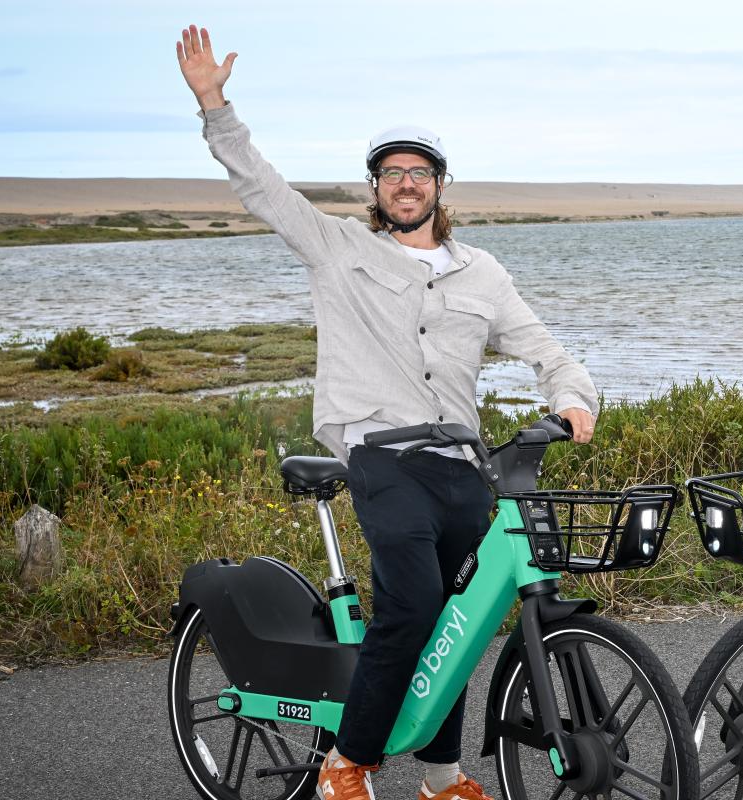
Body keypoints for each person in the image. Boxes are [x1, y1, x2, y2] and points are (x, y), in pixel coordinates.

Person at [176, 25, 599, 800]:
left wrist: (571, 399)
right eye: (391, 173)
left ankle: (440, 776)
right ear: (374, 189)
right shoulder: (339, 249)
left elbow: (546, 349)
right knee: (413, 605)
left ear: (441, 185)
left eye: (419, 172)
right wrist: (214, 103)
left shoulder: (483, 274)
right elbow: (261, 187)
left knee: (461, 624)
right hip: (381, 456)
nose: (406, 183)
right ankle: (347, 762)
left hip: (462, 467)